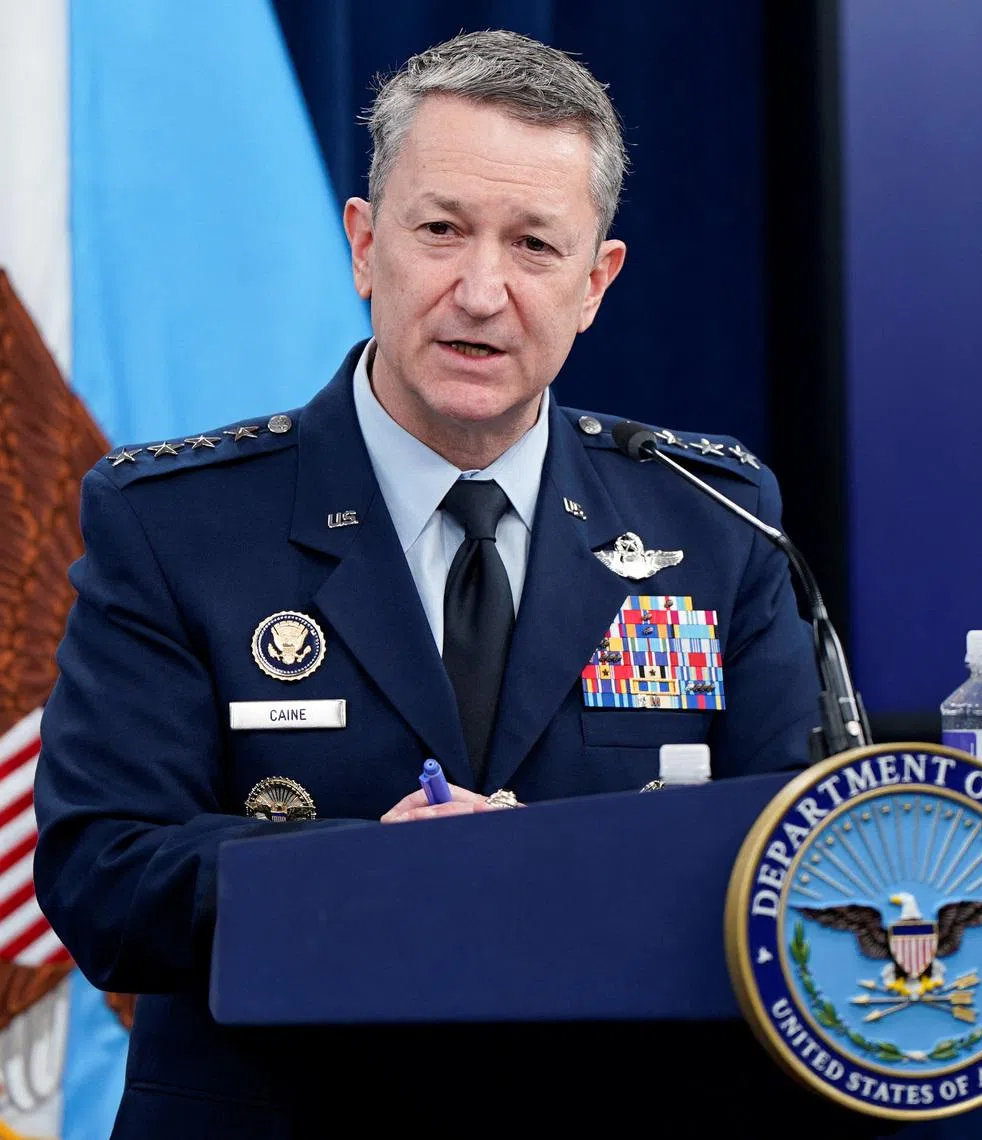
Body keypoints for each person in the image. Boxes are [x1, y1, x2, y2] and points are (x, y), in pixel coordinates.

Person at [33, 29, 822, 1136]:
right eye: (441, 230)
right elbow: (103, 871)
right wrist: (369, 876)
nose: (482, 290)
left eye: (536, 246)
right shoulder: (176, 523)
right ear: (365, 247)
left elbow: (798, 860)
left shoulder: (714, 519)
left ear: (597, 282)